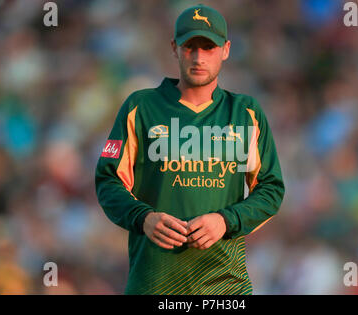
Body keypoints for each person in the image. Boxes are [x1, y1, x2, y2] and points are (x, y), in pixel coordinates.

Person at [95, 4, 285, 295]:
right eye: (189, 47)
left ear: (226, 49)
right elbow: (108, 181)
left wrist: (226, 220)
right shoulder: (141, 107)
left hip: (225, 286)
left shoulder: (245, 112)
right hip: (154, 284)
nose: (198, 57)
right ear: (174, 48)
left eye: (208, 47)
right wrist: (143, 217)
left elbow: (271, 189)